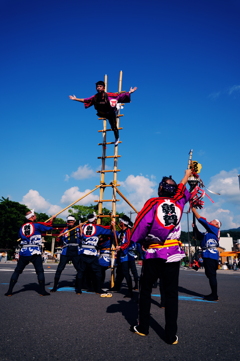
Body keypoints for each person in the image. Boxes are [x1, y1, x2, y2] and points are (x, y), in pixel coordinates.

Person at [130, 169, 192, 345]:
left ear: (160, 188)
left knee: (146, 290)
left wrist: (136, 241)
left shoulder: (153, 202)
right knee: (171, 293)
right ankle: (171, 335)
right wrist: (187, 176)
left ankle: (143, 328)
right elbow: (182, 190)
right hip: (173, 253)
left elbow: (141, 224)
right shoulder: (179, 202)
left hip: (154, 252)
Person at [5, 209, 55, 296]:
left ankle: (9, 291)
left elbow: (19, 236)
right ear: (32, 217)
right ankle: (42, 291)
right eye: (34, 215)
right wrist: (52, 220)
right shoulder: (37, 225)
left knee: (17, 271)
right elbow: (49, 228)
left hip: (24, 251)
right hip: (35, 251)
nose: (36, 216)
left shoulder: (21, 227)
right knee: (40, 271)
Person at [69, 81, 137, 145]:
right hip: (102, 113)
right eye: (97, 86)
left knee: (114, 127)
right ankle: (115, 105)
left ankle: (117, 137)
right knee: (100, 107)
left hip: (110, 112)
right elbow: (86, 100)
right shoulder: (95, 97)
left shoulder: (109, 95)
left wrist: (130, 92)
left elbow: (120, 96)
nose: (98, 87)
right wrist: (75, 99)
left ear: (103, 87)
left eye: (100, 86)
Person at [77, 213, 113, 297]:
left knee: (81, 271)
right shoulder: (97, 227)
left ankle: (78, 289)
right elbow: (109, 230)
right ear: (95, 220)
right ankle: (98, 289)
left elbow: (79, 236)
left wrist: (80, 226)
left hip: (83, 251)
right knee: (97, 272)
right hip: (92, 252)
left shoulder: (82, 227)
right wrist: (112, 224)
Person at [191, 207, 221, 301]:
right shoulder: (209, 232)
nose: (211, 221)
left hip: (210, 254)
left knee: (211, 275)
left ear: (217, 225)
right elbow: (200, 236)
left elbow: (203, 221)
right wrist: (195, 228)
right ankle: (214, 294)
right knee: (210, 274)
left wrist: (194, 211)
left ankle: (214, 295)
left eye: (213, 221)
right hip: (208, 254)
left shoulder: (214, 229)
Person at [50, 215, 82, 293]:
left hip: (76, 251)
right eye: (69, 222)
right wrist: (58, 237)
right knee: (59, 269)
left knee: (79, 269)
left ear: (74, 222)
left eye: (71, 221)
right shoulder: (64, 230)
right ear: (66, 222)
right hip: (66, 250)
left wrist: (81, 229)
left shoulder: (78, 229)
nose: (70, 223)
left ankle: (78, 288)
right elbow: (58, 239)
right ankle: (55, 287)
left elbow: (82, 237)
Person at [113, 215, 133, 297]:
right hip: (120, 254)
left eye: (120, 221)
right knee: (119, 272)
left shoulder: (128, 231)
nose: (119, 222)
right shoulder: (121, 231)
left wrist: (121, 247)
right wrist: (113, 226)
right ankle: (117, 287)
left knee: (125, 272)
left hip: (126, 254)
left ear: (123, 223)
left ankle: (130, 291)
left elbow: (128, 242)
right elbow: (115, 236)